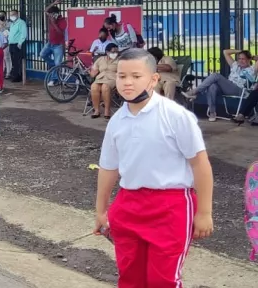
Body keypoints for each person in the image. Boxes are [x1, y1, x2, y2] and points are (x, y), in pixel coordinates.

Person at [95, 48, 214, 288]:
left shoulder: (175, 116)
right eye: (121, 76)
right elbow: (108, 168)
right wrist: (101, 210)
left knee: (163, 280)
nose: (127, 82)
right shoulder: (117, 121)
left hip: (171, 207)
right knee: (130, 277)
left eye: (136, 76)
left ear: (153, 79)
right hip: (128, 204)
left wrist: (204, 212)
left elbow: (200, 164)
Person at [183, 49, 257, 122]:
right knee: (212, 86)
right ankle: (212, 112)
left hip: (239, 90)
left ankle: (195, 92)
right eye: (239, 58)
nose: (241, 61)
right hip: (227, 88)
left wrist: (253, 57)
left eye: (243, 59)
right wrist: (241, 51)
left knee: (216, 75)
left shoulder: (252, 69)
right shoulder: (235, 65)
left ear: (249, 59)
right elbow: (225, 52)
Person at [89, 43, 119, 119]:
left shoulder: (119, 60)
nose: (115, 53)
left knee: (105, 87)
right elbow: (93, 71)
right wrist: (92, 71)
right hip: (100, 78)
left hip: (112, 79)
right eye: (113, 52)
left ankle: (107, 110)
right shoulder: (100, 59)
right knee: (94, 87)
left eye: (116, 52)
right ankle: (96, 110)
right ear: (107, 52)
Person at [41, 0, 67, 86]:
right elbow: (45, 10)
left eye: (52, 14)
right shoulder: (50, 17)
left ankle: (54, 79)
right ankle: (56, 66)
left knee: (57, 63)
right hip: (50, 43)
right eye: (50, 14)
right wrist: (54, 3)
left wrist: (54, 23)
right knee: (42, 55)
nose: (51, 16)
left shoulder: (62, 20)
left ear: (56, 14)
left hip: (58, 45)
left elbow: (61, 33)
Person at [7, 9, 27, 83]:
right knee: (13, 61)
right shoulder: (12, 24)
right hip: (11, 44)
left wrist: (20, 43)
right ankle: (15, 75)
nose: (12, 16)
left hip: (17, 44)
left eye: (13, 14)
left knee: (17, 61)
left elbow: (23, 33)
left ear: (17, 14)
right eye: (11, 14)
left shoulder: (21, 23)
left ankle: (18, 76)